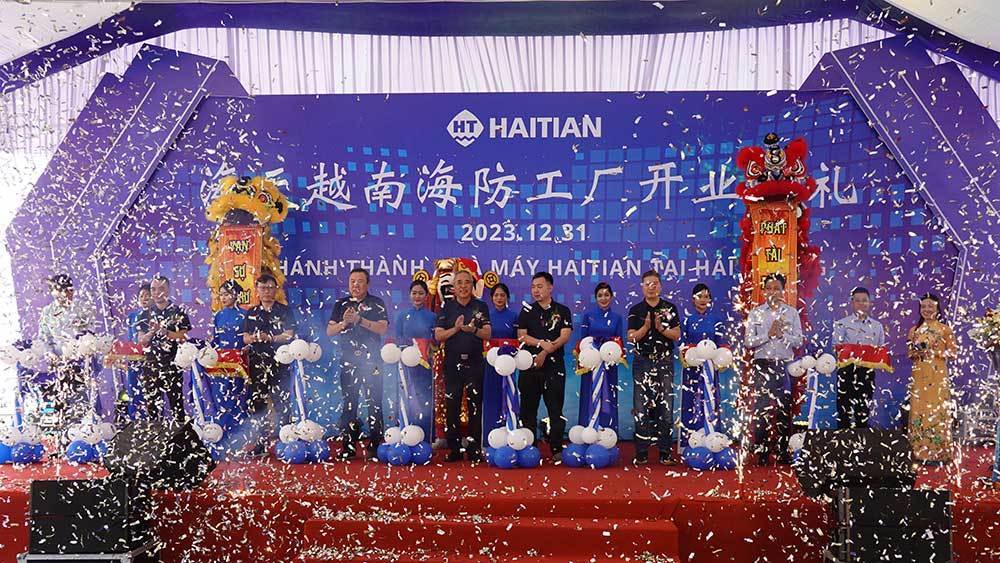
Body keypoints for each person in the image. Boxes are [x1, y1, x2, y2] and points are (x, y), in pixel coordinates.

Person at [327, 268, 389, 459]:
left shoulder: (376, 303)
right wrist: (344, 323)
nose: (356, 285)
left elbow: (382, 328)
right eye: (352, 281)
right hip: (348, 360)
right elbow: (329, 331)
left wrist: (359, 319)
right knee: (349, 403)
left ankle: (375, 445)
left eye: (360, 281)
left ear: (367, 284)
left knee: (374, 402)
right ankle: (348, 446)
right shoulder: (341, 304)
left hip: (372, 361)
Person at [744, 273, 803, 466]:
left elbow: (799, 341)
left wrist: (783, 334)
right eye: (769, 288)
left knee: (784, 409)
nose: (772, 292)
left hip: (784, 365)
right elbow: (748, 342)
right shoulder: (756, 313)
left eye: (777, 288)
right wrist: (768, 335)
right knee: (762, 409)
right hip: (762, 364)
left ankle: (783, 451)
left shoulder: (792, 313)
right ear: (763, 291)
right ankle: (762, 452)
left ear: (783, 291)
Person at [434, 271, 492, 461]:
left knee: (475, 404)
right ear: (454, 287)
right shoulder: (447, 307)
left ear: (472, 286)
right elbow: (438, 335)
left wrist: (473, 329)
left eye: (467, 282)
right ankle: (454, 448)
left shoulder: (481, 306)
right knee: (452, 405)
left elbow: (487, 333)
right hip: (452, 362)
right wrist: (456, 329)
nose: (463, 286)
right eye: (459, 282)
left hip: (475, 362)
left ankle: (474, 448)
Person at [627, 270, 681, 466]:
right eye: (647, 283)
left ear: (660, 286)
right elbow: (630, 337)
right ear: (642, 287)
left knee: (666, 406)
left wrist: (661, 329)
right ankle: (641, 452)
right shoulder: (636, 309)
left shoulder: (669, 308)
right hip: (642, 361)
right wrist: (645, 328)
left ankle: (665, 452)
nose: (651, 287)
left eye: (655, 283)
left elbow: (677, 335)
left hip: (664, 361)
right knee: (641, 406)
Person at [517, 272, 572, 460]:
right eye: (533, 287)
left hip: (554, 367)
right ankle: (529, 447)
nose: (536, 290)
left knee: (555, 409)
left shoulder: (562, 310)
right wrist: (541, 343)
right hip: (529, 366)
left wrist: (545, 351)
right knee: (527, 409)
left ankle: (556, 448)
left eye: (540, 286)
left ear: (550, 288)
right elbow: (521, 336)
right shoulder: (526, 311)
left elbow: (565, 336)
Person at [242, 274, 297, 455]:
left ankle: (287, 441)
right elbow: (245, 337)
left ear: (276, 289)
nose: (266, 291)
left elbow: (289, 334)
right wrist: (254, 338)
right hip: (257, 364)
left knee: (282, 401)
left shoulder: (284, 310)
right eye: (263, 288)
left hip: (279, 363)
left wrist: (271, 338)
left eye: (270, 287)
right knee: (258, 403)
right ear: (257, 290)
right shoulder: (251, 312)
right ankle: (260, 443)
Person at [36, 274, 95, 435]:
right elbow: (44, 338)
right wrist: (50, 354)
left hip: (80, 363)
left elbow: (90, 332)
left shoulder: (81, 308)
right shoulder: (47, 312)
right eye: (62, 290)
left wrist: (81, 348)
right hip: (58, 365)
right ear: (54, 292)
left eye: (70, 290)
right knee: (60, 400)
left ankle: (84, 433)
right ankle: (63, 435)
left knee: (82, 398)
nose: (67, 294)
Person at [906, 293, 956, 464]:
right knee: (918, 409)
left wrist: (935, 351)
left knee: (937, 409)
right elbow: (910, 353)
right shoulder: (914, 330)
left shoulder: (945, 329)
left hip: (937, 375)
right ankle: (919, 451)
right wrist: (918, 351)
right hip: (919, 375)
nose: (927, 309)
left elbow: (953, 353)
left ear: (937, 308)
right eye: (924, 306)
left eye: (931, 306)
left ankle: (939, 452)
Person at [137, 276, 191, 424]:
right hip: (150, 366)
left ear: (168, 290)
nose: (156, 293)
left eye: (160, 289)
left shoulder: (178, 311)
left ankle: (180, 433)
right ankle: (155, 432)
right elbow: (142, 340)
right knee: (152, 406)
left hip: (172, 365)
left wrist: (164, 331)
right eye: (153, 289)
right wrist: (152, 331)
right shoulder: (145, 314)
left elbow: (183, 336)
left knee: (176, 405)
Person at [832, 287, 886, 429]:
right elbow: (836, 347)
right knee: (844, 408)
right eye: (857, 301)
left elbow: (880, 348)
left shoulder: (877, 326)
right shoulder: (841, 324)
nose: (861, 303)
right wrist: (853, 353)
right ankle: (843, 438)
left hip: (867, 371)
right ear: (852, 303)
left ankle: (862, 437)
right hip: (847, 370)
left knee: (863, 409)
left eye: (864, 300)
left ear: (869, 303)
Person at [680, 283, 727, 440]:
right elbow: (681, 344)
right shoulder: (687, 320)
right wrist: (686, 354)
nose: (703, 300)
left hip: (710, 369)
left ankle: (712, 437)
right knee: (690, 401)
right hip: (692, 368)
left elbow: (721, 344)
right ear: (693, 299)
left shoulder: (717, 320)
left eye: (706, 297)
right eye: (699, 296)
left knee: (711, 400)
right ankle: (689, 440)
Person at [393, 280, 437, 444]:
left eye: (420, 293)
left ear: (426, 296)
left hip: (425, 365)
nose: (417, 296)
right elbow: (397, 339)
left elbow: (436, 341)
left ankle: (426, 437)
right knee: (406, 397)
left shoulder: (433, 317)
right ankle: (405, 433)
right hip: (405, 365)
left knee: (425, 399)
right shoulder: (401, 316)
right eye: (414, 293)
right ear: (410, 295)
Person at [578, 282, 624, 431]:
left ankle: (609, 430)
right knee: (589, 395)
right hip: (591, 365)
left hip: (609, 365)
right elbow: (582, 341)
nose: (603, 298)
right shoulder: (588, 316)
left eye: (606, 295)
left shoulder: (617, 318)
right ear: (596, 298)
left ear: (611, 297)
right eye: (600, 295)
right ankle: (588, 429)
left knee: (609, 395)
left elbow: (619, 341)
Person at [211, 280, 249, 440]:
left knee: (237, 395)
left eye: (226, 294)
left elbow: (248, 339)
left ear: (236, 295)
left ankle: (239, 432)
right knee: (221, 395)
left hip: (239, 363)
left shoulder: (245, 315)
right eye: (221, 294)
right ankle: (222, 430)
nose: (223, 298)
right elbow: (216, 340)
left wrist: (247, 349)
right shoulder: (218, 315)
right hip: (221, 363)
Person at [483, 283, 518, 438]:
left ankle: (510, 433)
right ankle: (489, 436)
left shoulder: (514, 316)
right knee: (491, 397)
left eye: (502, 295)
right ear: (491, 298)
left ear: (507, 297)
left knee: (508, 395)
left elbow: (518, 339)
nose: (499, 298)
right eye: (496, 295)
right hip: (490, 363)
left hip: (509, 364)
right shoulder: (486, 317)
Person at [123, 282, 151, 419]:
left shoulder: (155, 315)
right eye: (141, 296)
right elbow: (130, 338)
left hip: (150, 360)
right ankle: (134, 420)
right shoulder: (132, 316)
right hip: (134, 360)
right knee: (134, 390)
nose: (144, 298)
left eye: (147, 295)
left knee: (150, 392)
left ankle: (152, 420)